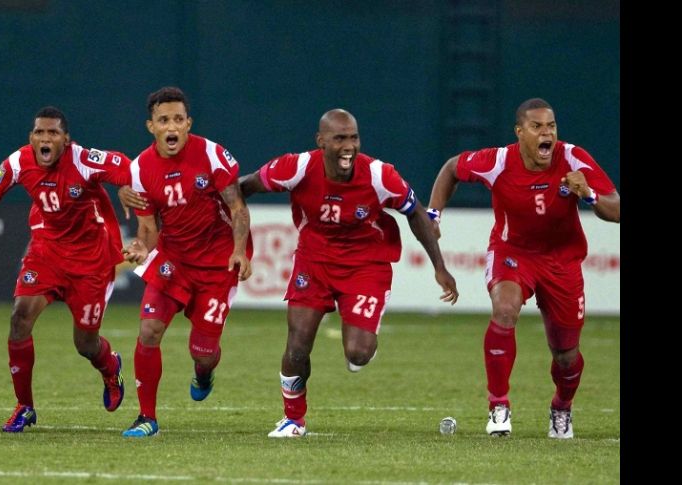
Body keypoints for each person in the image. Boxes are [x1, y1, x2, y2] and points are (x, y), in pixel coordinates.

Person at [239, 108, 459, 438]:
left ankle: (362, 337)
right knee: (297, 345)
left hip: (365, 265)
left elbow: (414, 213)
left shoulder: (379, 175)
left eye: (354, 138)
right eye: (340, 138)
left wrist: (439, 266)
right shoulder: (296, 167)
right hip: (313, 261)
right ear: (321, 141)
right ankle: (293, 419)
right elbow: (244, 187)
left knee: (358, 354)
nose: (348, 146)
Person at [428, 98, 620, 439]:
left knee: (566, 355)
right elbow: (451, 169)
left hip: (562, 262)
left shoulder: (573, 157)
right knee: (504, 309)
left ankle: (561, 407)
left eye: (551, 126)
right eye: (537, 127)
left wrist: (588, 194)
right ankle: (498, 406)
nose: (546, 133)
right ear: (520, 132)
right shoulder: (499, 161)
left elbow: (616, 209)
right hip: (512, 252)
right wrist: (435, 213)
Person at [0, 106, 131, 432]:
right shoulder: (19, 162)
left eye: (53, 133)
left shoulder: (83, 160)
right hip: (46, 253)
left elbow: (125, 166)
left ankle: (110, 366)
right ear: (31, 137)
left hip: (92, 262)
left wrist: (131, 188)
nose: (45, 138)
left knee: (85, 344)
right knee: (20, 318)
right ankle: (25, 406)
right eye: (39, 133)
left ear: (66, 140)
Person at [119, 86, 253, 438]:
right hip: (174, 260)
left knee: (203, 352)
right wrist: (140, 245)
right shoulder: (140, 169)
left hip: (216, 265)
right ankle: (146, 417)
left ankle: (204, 372)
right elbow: (148, 228)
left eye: (178, 119)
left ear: (188, 123)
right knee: (149, 331)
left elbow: (238, 208)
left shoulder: (212, 156)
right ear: (152, 126)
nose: (172, 126)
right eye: (164, 120)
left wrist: (239, 250)